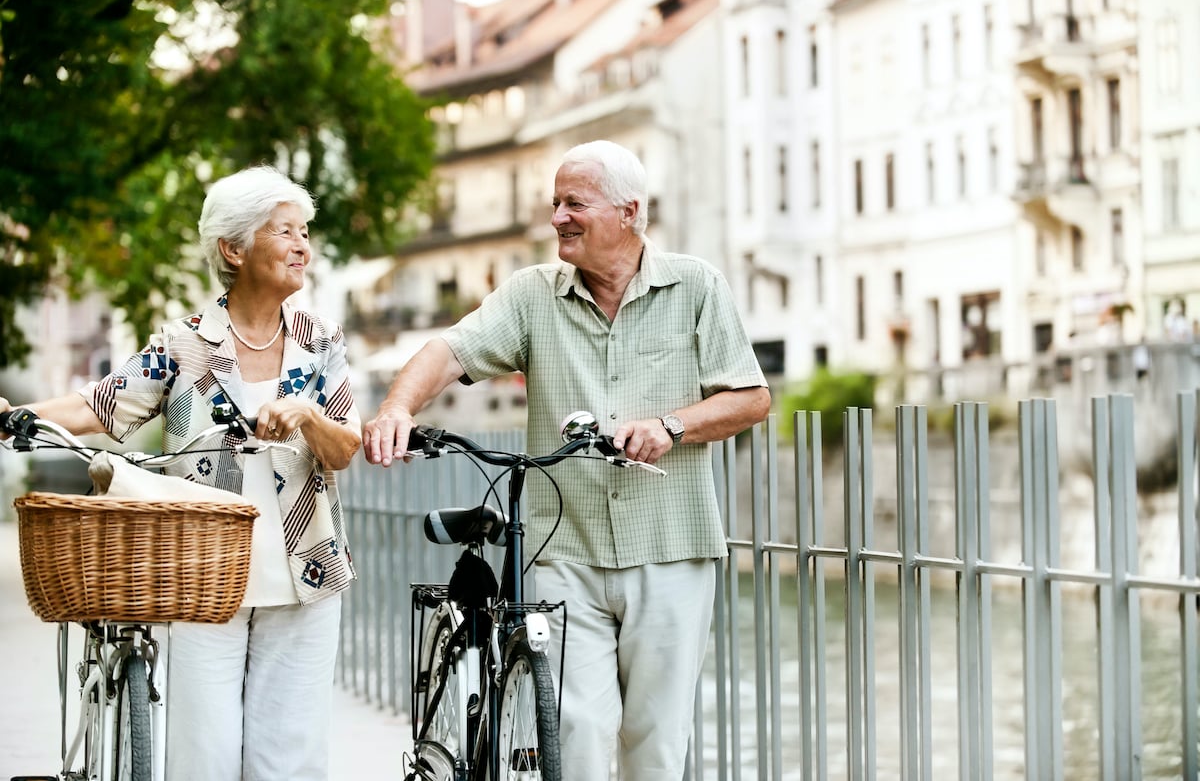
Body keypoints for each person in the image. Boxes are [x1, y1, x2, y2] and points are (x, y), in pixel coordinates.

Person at [363, 140, 770, 780]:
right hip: (562, 549)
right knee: (576, 729)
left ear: (629, 212)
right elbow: (449, 350)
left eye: (574, 203)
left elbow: (751, 398)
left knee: (657, 740)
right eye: (555, 203)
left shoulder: (696, 286)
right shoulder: (531, 296)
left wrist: (673, 426)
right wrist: (397, 410)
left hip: (670, 545)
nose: (558, 217)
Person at [0, 165, 362, 780]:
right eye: (285, 231)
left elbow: (345, 446)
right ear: (233, 248)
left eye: (305, 231)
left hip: (306, 571)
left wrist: (305, 415)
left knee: (291, 762)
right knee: (205, 758)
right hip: (201, 574)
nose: (303, 245)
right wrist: (15, 416)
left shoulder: (320, 340)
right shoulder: (185, 343)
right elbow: (101, 406)